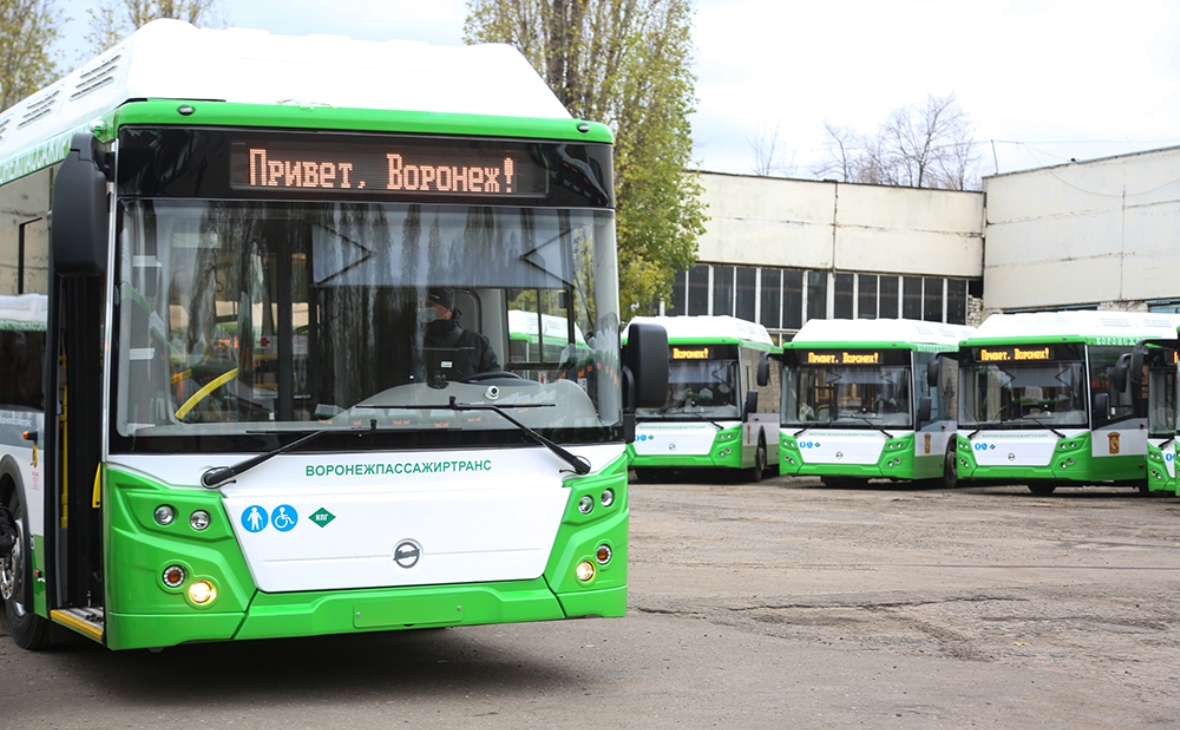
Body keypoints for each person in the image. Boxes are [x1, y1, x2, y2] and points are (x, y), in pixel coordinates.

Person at [418, 287, 501, 381]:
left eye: (428, 304)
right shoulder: (412, 342)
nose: (422, 309)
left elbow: (495, 383)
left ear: (446, 309)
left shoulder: (477, 343)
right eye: (420, 305)